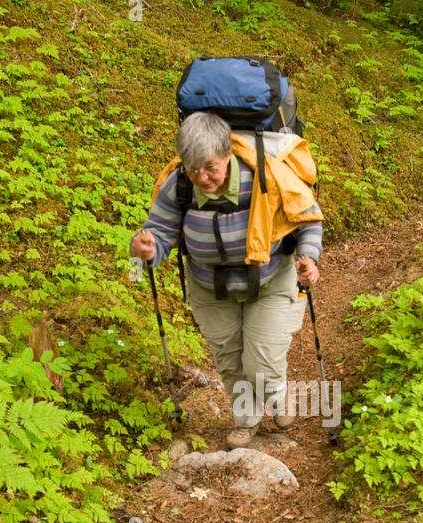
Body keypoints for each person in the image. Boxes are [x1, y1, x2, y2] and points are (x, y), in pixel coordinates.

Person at [130, 112, 322, 450]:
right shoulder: (180, 183)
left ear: (228, 155)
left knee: (261, 359)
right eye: (193, 169)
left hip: (270, 278)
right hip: (210, 286)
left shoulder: (266, 174)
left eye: (210, 167)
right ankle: (246, 421)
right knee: (230, 359)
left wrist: (308, 255)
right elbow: (160, 232)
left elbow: (307, 217)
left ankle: (276, 395)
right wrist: (146, 249)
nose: (202, 177)